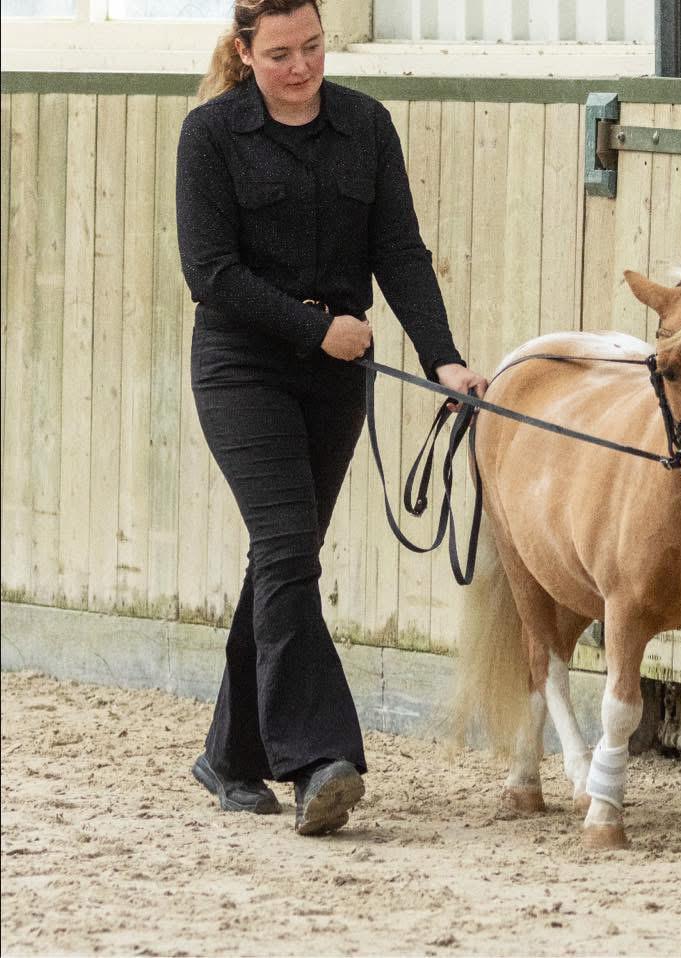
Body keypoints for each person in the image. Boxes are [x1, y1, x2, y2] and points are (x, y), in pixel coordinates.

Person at [176, 0, 487, 836]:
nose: (302, 66)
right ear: (245, 52)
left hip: (335, 377)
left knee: (283, 560)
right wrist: (317, 329)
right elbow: (211, 273)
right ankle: (319, 759)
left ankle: (230, 754)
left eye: (313, 46)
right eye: (280, 53)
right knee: (286, 548)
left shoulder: (365, 125)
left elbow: (400, 252)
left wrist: (443, 359)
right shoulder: (210, 136)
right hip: (243, 367)